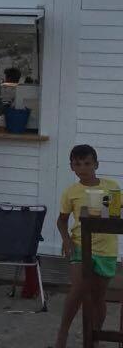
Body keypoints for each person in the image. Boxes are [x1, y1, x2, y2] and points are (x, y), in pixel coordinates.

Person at [55, 144, 119, 348]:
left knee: (99, 296)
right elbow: (62, 220)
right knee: (79, 288)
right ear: (72, 167)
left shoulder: (111, 186)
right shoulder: (71, 192)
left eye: (87, 163)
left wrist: (110, 212)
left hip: (106, 248)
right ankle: (62, 336)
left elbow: (117, 214)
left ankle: (94, 338)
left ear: (96, 164)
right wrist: (66, 241)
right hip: (80, 244)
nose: (83, 168)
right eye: (77, 164)